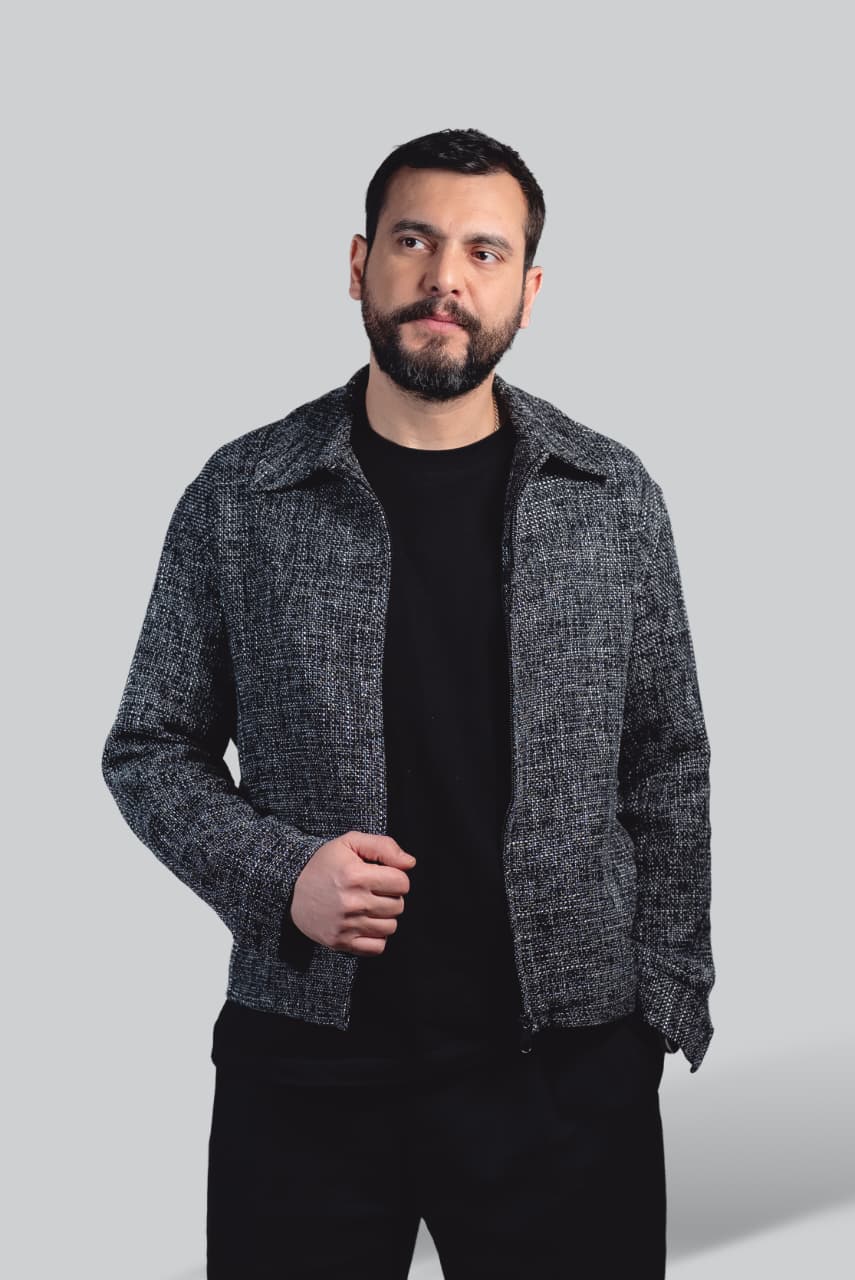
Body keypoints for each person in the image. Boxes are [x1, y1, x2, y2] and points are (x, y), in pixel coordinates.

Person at [101, 127, 714, 1278]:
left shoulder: (610, 494)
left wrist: (663, 1002)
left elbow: (667, 756)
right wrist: (282, 874)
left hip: (567, 1074)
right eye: (414, 241)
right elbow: (150, 746)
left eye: (486, 252)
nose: (445, 278)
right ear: (359, 263)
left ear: (529, 290)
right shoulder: (245, 493)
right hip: (307, 1071)